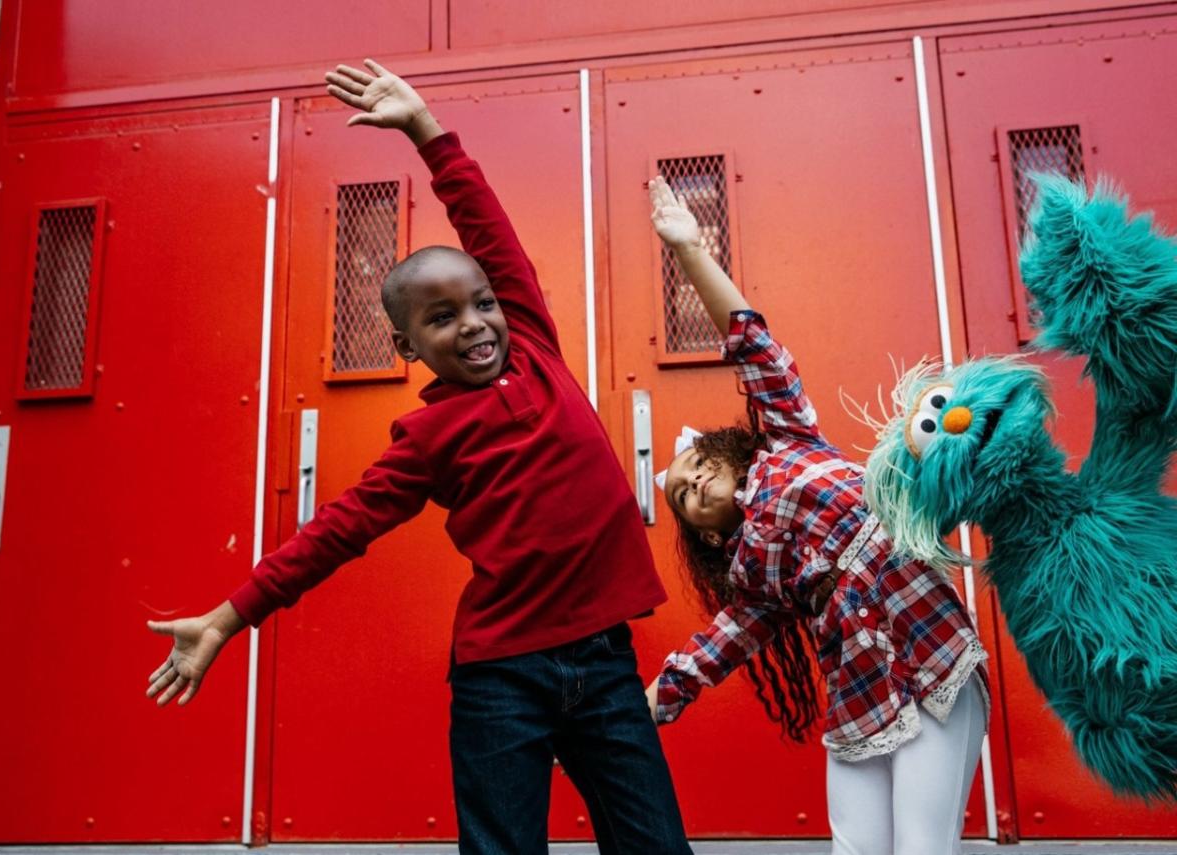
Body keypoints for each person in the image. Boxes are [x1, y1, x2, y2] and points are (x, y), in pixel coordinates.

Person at [146, 61, 692, 855]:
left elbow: (487, 229)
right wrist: (229, 618)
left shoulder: (535, 346)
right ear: (407, 346)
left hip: (605, 666)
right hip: (502, 681)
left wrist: (423, 129)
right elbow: (335, 530)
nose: (474, 324)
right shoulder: (427, 438)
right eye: (442, 317)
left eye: (481, 303)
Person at [643, 175, 988, 855]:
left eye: (699, 462)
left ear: (729, 450)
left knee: (924, 846)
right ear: (708, 533)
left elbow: (755, 348)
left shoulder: (789, 439)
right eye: (684, 493)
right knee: (855, 848)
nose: (696, 478)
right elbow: (708, 653)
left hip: (929, 649)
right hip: (859, 692)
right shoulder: (753, 582)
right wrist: (628, 715)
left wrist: (688, 250)